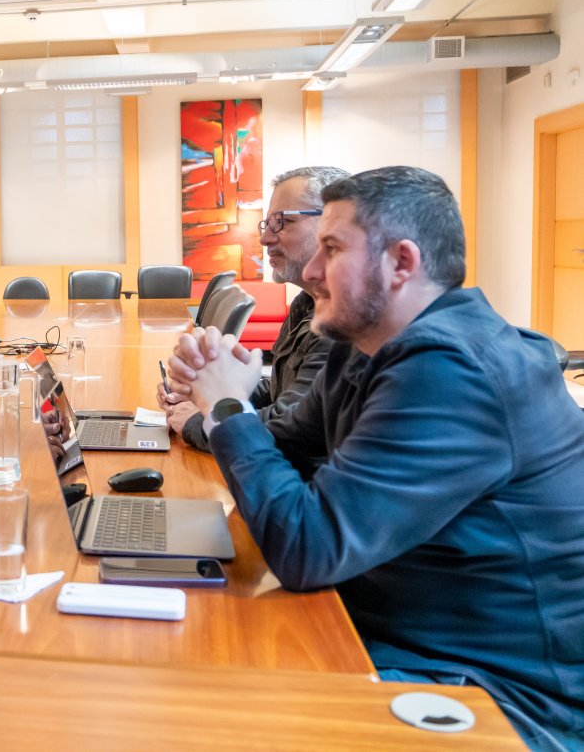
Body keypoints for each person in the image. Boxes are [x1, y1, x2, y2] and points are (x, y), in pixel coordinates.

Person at [168, 166, 584, 750]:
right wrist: (228, 389)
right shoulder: (366, 345)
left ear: (402, 263)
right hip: (398, 633)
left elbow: (307, 548)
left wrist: (228, 406)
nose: (311, 270)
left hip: (497, 693)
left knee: (205, 713)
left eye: (332, 249)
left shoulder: (452, 370)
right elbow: (288, 442)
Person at [160, 166, 348, 451]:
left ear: (333, 224)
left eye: (282, 222)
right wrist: (204, 392)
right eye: (267, 224)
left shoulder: (343, 323)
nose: (265, 239)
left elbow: (289, 427)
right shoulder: (305, 303)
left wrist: (200, 422)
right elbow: (279, 391)